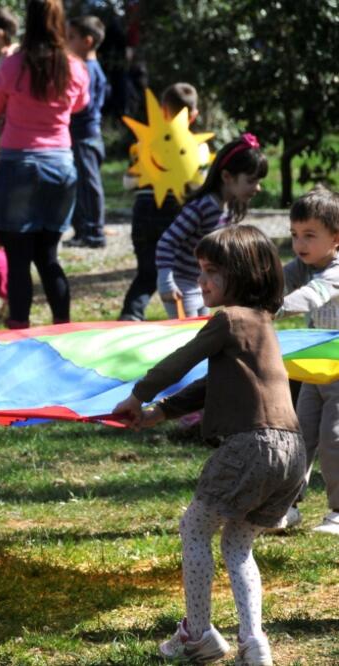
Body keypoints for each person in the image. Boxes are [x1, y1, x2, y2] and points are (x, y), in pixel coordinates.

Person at [114, 225, 303, 666]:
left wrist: (138, 396)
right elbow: (211, 384)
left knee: (195, 528)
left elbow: (182, 360)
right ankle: (254, 643)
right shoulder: (264, 324)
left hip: (252, 446)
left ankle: (197, 633)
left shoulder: (228, 319)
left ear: (243, 273)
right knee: (237, 545)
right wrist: (162, 412)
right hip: (293, 453)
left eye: (212, 271)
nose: (201, 281)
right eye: (200, 270)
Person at [0, 0, 90, 329]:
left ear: (28, 21)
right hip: (60, 165)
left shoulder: (13, 64)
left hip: (19, 165)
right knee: (48, 256)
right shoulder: (74, 66)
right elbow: (80, 105)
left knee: (18, 260)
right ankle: (63, 329)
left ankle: (19, 332)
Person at [276, 187, 339, 535]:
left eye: (310, 235)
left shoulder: (335, 271)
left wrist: (273, 308)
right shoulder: (303, 265)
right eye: (295, 234)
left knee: (334, 439)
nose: (299, 244)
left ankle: (338, 511)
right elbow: (276, 282)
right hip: (315, 371)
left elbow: (311, 296)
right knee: (298, 437)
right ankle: (286, 505)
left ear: (336, 238)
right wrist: (249, 295)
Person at [118, 83, 206, 321]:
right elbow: (198, 185)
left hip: (143, 211)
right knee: (179, 273)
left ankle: (131, 314)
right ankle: (185, 321)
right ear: (194, 115)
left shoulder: (146, 143)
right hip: (176, 214)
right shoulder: (197, 147)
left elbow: (127, 182)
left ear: (162, 110)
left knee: (147, 272)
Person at [155, 134, 266, 318]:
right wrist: (166, 283)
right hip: (181, 287)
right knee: (189, 334)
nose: (258, 187)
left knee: (202, 332)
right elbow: (166, 243)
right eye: (251, 180)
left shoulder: (229, 208)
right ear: (227, 176)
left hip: (201, 284)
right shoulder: (201, 208)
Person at [63, 15, 108, 249]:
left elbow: (85, 106)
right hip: (84, 135)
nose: (65, 42)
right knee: (81, 185)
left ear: (87, 41)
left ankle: (94, 233)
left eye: (71, 37)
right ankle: (83, 231)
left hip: (85, 136)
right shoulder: (90, 68)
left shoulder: (87, 70)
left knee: (89, 185)